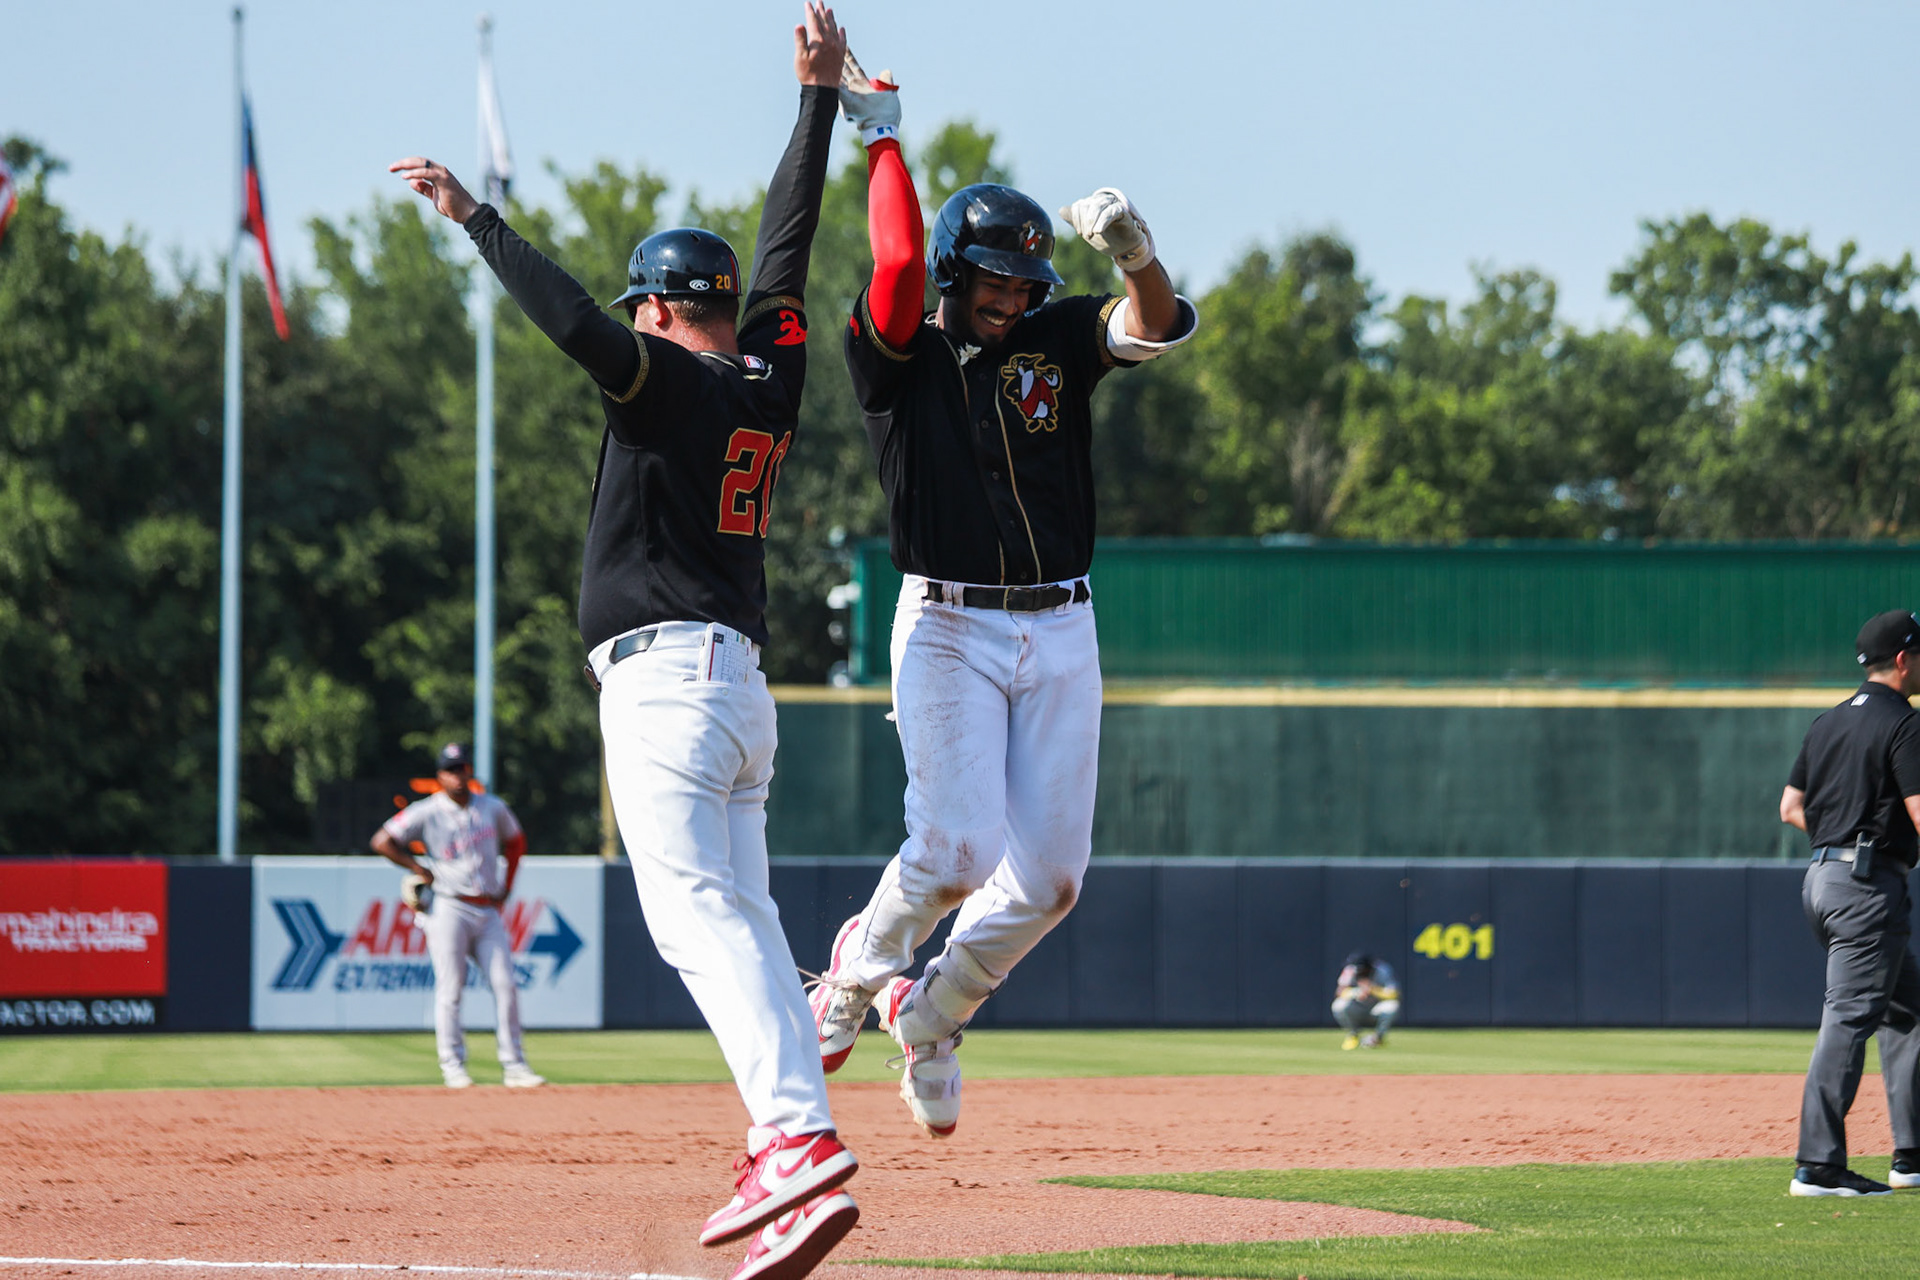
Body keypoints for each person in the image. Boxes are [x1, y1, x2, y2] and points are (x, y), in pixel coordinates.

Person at [390, 8, 861, 1276]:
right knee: (744, 912)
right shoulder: (769, 375)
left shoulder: (665, 379)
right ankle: (791, 1143)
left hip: (667, 685)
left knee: (690, 915)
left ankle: (793, 1135)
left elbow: (569, 320)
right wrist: (813, 104)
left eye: (640, 308)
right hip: (743, 692)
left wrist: (474, 219)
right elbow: (788, 248)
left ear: (656, 310)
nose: (630, 324)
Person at [805, 59, 1198, 1139]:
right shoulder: (895, 354)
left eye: (1025, 281)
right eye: (993, 278)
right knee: (956, 850)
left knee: (1053, 881)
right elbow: (888, 262)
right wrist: (879, 132)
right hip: (948, 624)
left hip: (1063, 622)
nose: (1013, 296)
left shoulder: (1059, 337)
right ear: (951, 270)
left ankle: (931, 1017)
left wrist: (1135, 254)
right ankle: (851, 975)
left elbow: (1154, 325)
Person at [1779, 609, 1920, 1198]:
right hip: (1865, 886)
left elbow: (1790, 807)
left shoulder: (1827, 722)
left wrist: (1837, 843)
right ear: (1905, 660)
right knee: (1848, 1018)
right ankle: (1818, 1164)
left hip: (1822, 878)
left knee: (1909, 1010)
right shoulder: (1904, 723)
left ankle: (1911, 1156)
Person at [371, 741, 545, 1090]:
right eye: (451, 770)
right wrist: (418, 868)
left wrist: (507, 886)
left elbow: (517, 841)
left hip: (487, 907)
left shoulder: (491, 807)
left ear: (470, 771)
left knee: (506, 984)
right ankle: (453, 1066)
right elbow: (382, 840)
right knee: (451, 987)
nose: (458, 775)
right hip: (448, 905)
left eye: (462, 768)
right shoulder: (426, 810)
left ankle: (515, 1066)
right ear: (440, 776)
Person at [1332, 952, 1400, 1050]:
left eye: (1361, 970)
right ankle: (1353, 1035)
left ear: (1369, 967)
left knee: (1392, 1006)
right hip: (1358, 1007)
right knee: (1339, 1005)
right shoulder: (1349, 970)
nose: (1359, 972)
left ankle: (1377, 1038)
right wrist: (1356, 992)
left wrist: (1373, 990)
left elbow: (1394, 994)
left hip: (1377, 1007)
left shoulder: (1382, 970)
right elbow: (1339, 992)